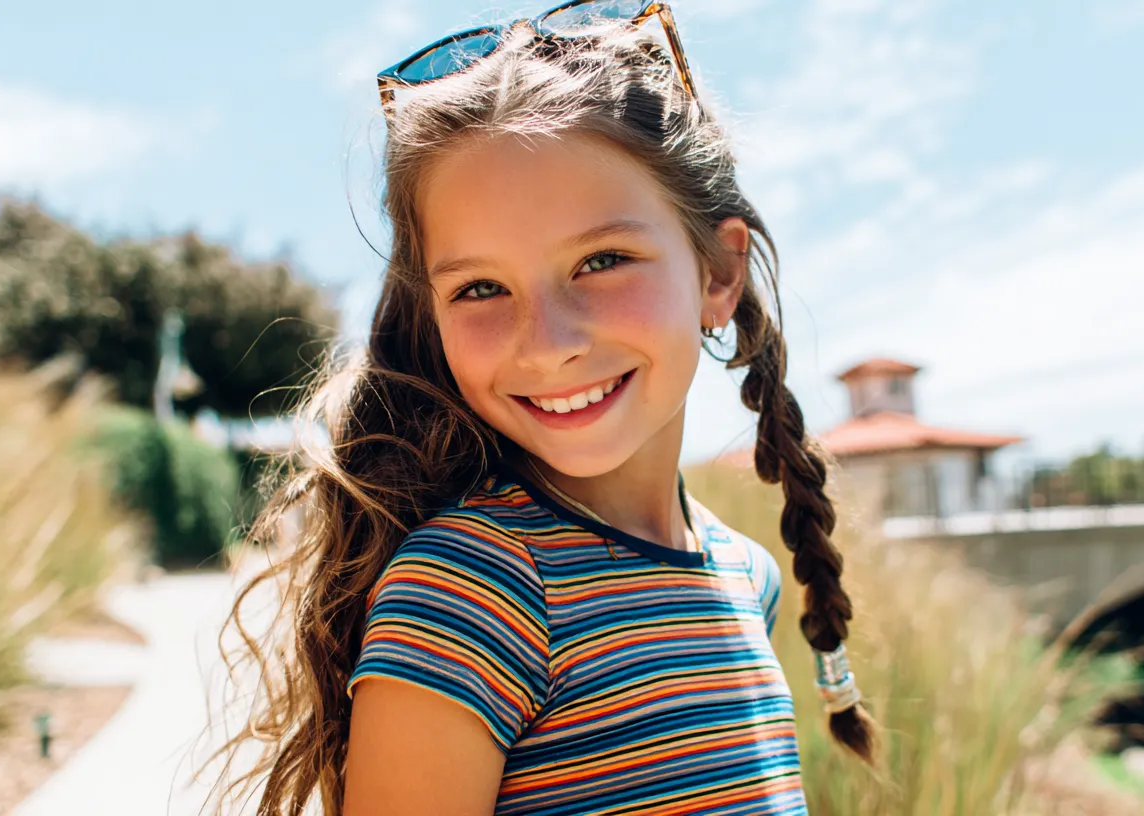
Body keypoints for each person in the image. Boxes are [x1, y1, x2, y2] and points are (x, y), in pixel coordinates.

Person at [215, 2, 873, 813]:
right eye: (481, 287)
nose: (547, 342)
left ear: (717, 275)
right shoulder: (473, 590)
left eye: (601, 260)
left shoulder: (749, 575)